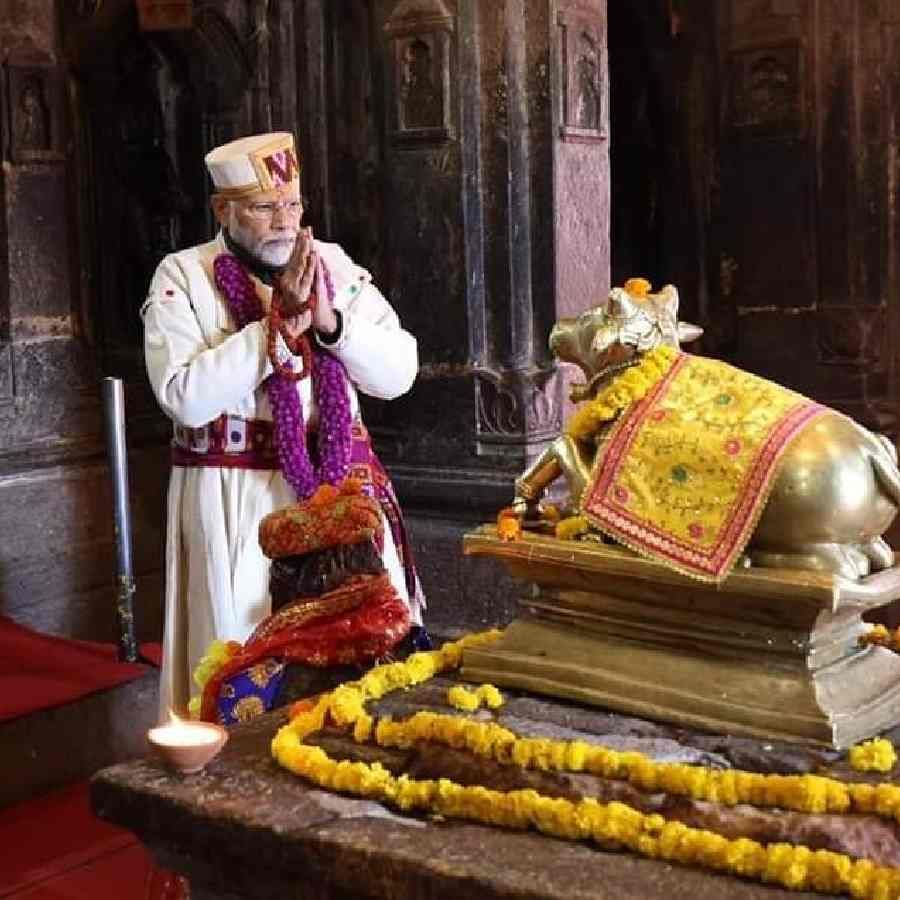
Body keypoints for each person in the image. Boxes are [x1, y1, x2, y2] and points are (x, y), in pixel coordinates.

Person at [142, 132, 426, 718]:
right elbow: (184, 397)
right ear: (223, 211)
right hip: (236, 499)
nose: (283, 222)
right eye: (264, 208)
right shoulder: (184, 277)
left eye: (292, 205)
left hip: (340, 490)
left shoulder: (334, 265)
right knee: (241, 649)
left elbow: (399, 372)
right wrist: (273, 330)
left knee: (362, 657)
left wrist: (329, 322)